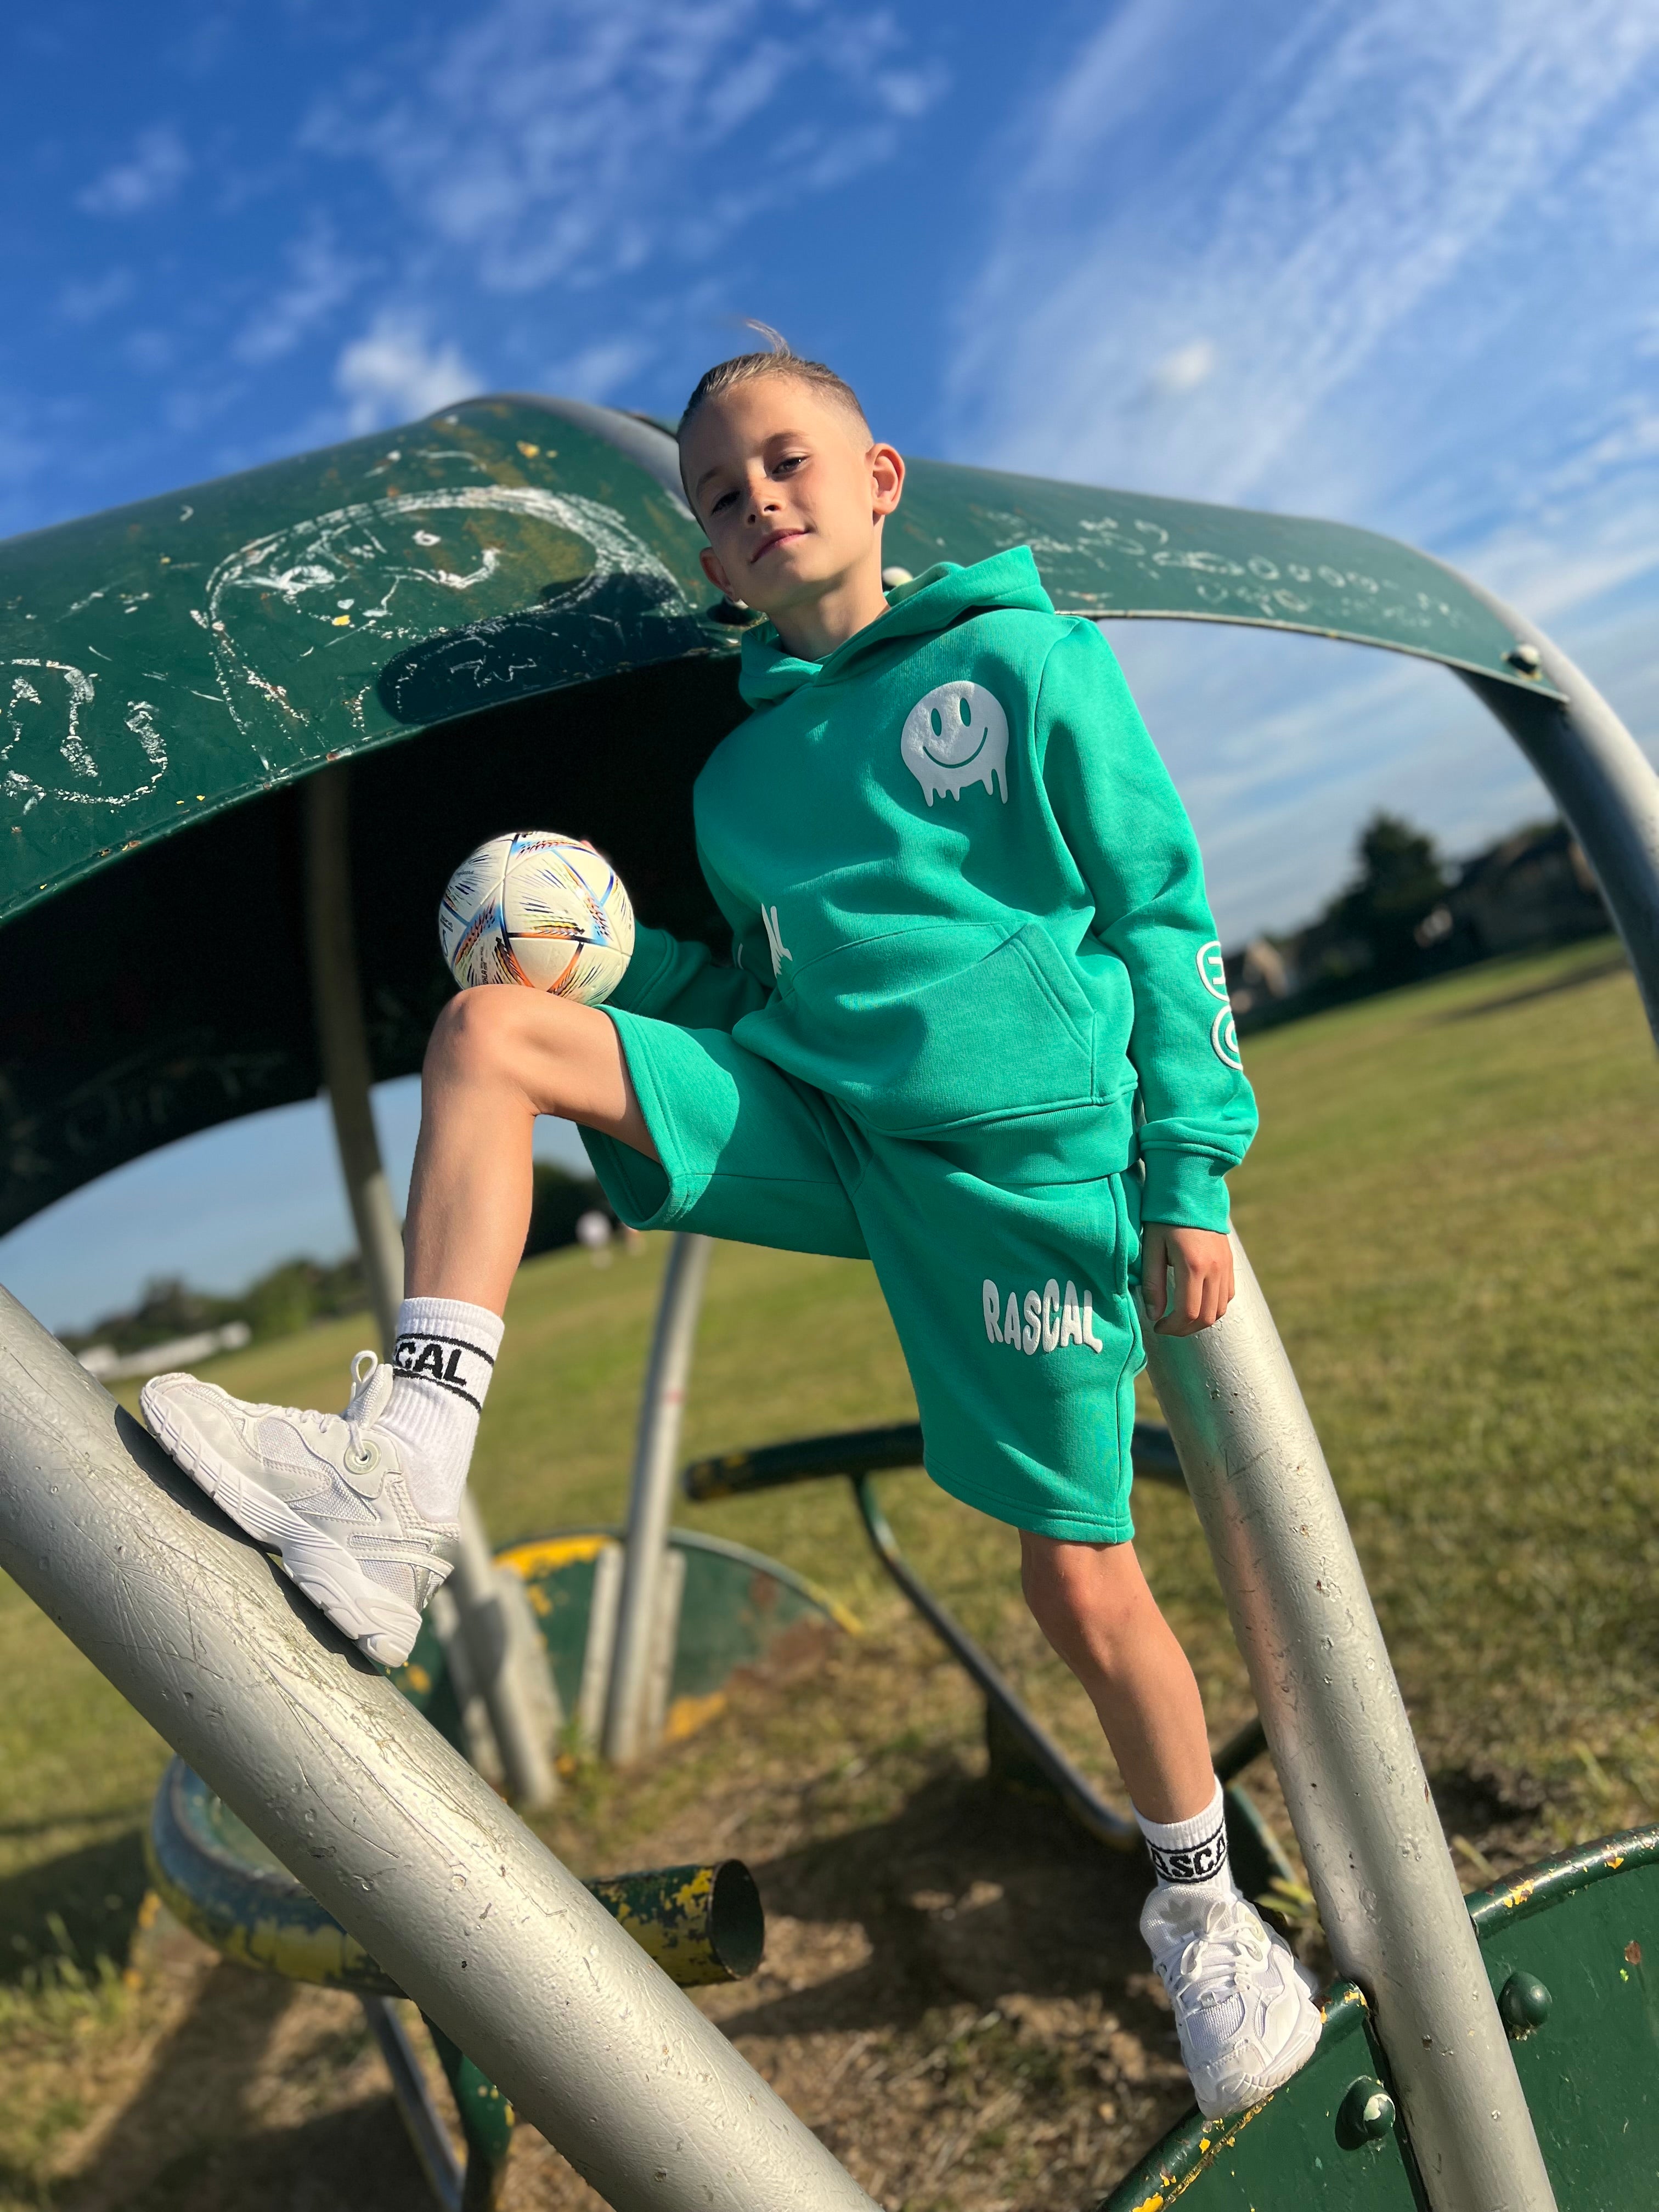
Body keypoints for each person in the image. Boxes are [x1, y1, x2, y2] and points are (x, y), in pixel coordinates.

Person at [142, 337, 1321, 2118]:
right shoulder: (732, 785)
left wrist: (1188, 1176)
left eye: (784, 462)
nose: (755, 499)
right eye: (719, 493)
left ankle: (1205, 1911)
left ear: (878, 481)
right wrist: (619, 965)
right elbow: (755, 994)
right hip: (823, 1123)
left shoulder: (1026, 662)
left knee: (1077, 1582)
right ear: (707, 559)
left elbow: (1163, 915)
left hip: (1015, 1170)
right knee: (493, 1037)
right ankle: (394, 1489)